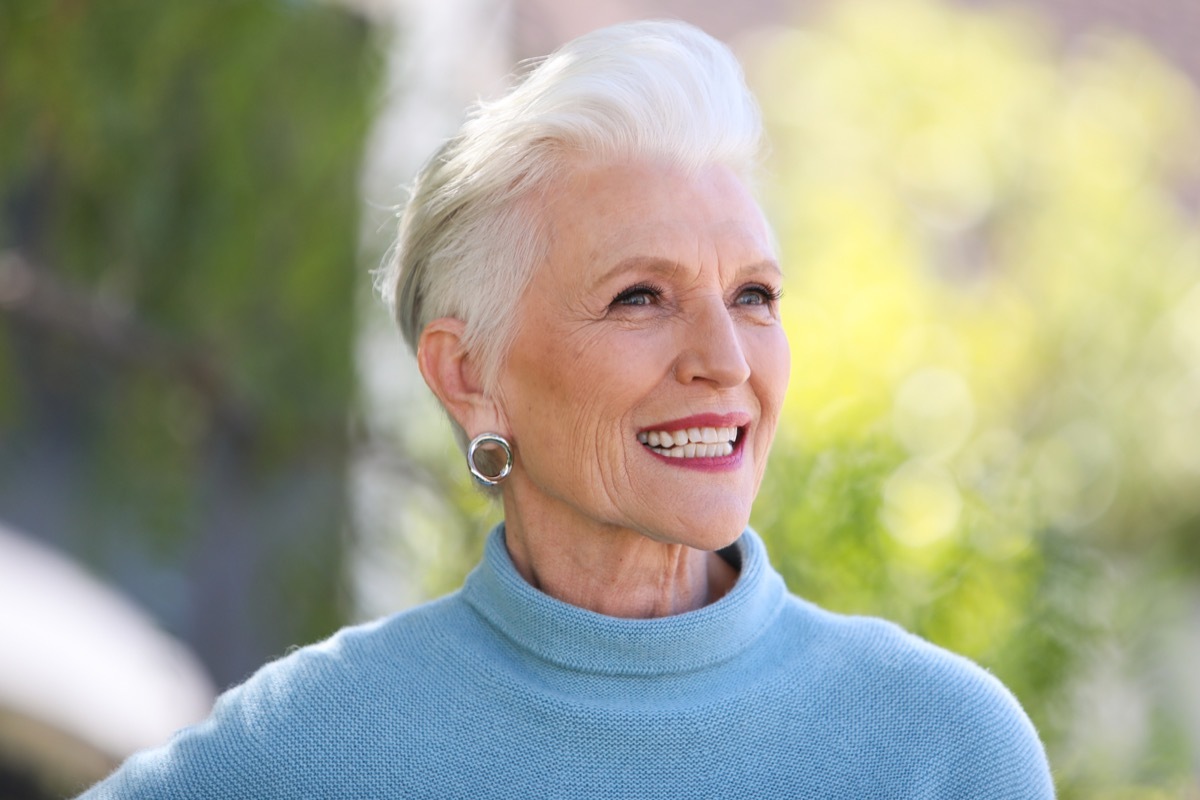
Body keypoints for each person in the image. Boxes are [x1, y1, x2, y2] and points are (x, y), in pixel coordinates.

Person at [79, 20, 1055, 799]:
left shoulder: (943, 747)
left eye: (754, 295)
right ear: (467, 375)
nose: (724, 360)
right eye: (641, 295)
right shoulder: (322, 738)